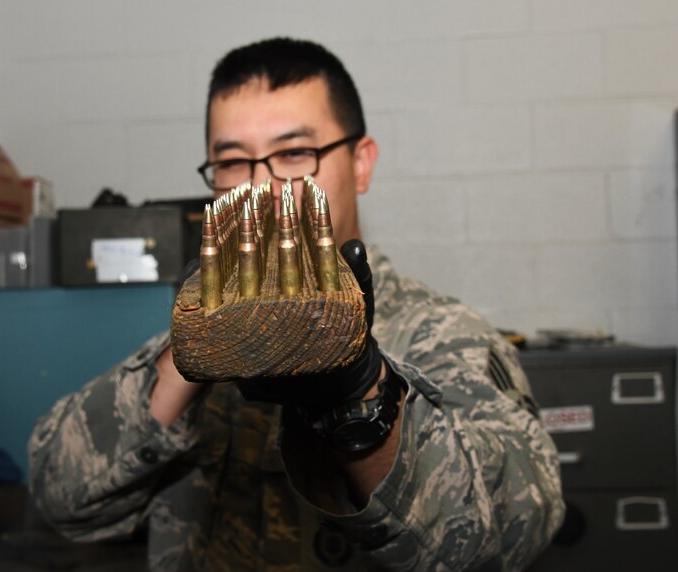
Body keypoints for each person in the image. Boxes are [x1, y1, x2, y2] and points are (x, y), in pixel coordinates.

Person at [29, 38, 564, 571]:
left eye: (293, 154)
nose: (262, 186)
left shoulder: (443, 333)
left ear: (360, 163)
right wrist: (187, 356)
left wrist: (361, 393)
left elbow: (507, 535)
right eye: (233, 162)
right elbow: (61, 499)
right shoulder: (194, 335)